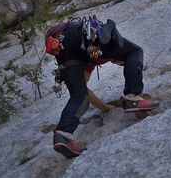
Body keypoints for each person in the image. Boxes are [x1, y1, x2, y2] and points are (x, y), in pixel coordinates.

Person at [52, 16, 158, 158]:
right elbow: (121, 50)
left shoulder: (89, 61)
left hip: (61, 48)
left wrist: (105, 108)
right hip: (83, 35)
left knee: (78, 95)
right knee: (134, 52)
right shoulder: (107, 49)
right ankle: (133, 97)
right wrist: (110, 107)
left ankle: (63, 134)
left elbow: (84, 90)